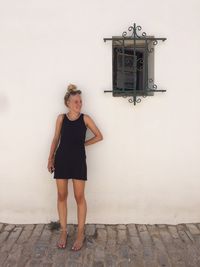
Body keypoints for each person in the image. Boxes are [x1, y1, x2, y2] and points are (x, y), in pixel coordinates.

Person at [47, 83, 103, 251]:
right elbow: (56, 138)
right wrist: (50, 158)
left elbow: (99, 136)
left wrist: (82, 144)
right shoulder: (61, 118)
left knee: (79, 197)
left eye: (80, 101)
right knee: (62, 195)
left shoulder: (85, 119)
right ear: (68, 103)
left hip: (78, 160)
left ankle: (80, 233)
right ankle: (63, 231)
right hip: (62, 159)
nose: (79, 104)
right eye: (76, 101)